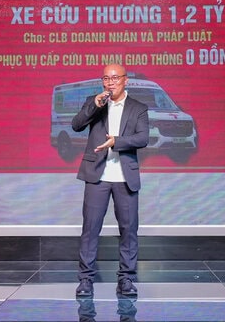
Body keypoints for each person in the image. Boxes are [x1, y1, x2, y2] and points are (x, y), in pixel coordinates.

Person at [73, 64, 149, 298]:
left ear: (126, 80)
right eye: (106, 78)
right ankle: (86, 280)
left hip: (125, 177)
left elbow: (143, 138)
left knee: (129, 230)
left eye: (115, 78)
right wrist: (94, 106)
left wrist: (116, 141)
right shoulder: (95, 102)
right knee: (90, 229)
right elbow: (76, 125)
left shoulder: (138, 108)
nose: (110, 82)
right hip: (97, 175)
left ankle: (126, 279)